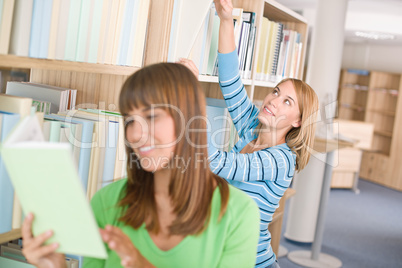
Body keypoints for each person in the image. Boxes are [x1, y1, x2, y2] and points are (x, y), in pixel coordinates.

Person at [21, 63, 260, 268]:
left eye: (152, 116)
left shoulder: (238, 214)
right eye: (130, 120)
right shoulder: (108, 202)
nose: (134, 134)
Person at [180, 0, 319, 267]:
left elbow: (218, 163)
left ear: (299, 121)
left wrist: (190, 96)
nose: (273, 100)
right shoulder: (251, 129)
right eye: (276, 92)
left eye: (287, 102)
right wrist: (225, 19)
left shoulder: (282, 160)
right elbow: (230, 81)